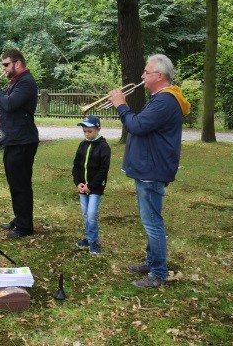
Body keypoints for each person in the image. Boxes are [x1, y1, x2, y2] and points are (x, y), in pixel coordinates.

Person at [108, 54, 190, 289]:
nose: (142, 76)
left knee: (153, 222)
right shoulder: (159, 98)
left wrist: (121, 105)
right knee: (151, 219)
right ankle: (151, 261)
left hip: (152, 169)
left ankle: (158, 273)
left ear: (159, 76)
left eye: (146, 72)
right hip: (149, 167)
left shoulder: (165, 100)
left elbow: (137, 125)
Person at [0, 49, 39, 238]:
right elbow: (5, 104)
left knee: (21, 184)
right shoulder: (15, 82)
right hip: (13, 139)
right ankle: (19, 217)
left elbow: (9, 104)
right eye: (3, 65)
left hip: (23, 140)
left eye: (6, 65)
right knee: (14, 183)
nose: (4, 68)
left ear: (17, 63)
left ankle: (25, 226)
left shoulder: (26, 82)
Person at [72, 115, 111, 255]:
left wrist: (91, 186)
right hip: (82, 187)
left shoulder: (104, 147)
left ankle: (93, 241)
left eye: (90, 131)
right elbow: (76, 165)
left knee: (91, 214)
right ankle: (88, 238)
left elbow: (103, 170)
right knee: (85, 214)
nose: (87, 134)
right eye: (84, 131)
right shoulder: (82, 145)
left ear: (98, 129)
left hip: (95, 188)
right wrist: (78, 183)